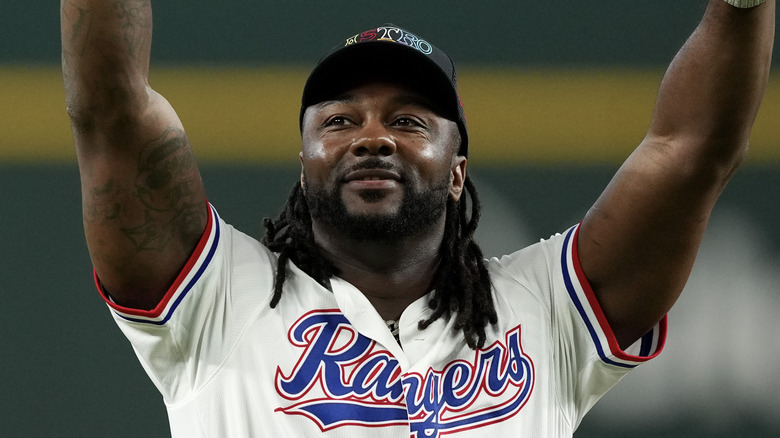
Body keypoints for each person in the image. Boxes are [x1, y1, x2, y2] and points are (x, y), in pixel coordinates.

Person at [60, 0, 775, 437]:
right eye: (339, 121)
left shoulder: (546, 312)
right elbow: (112, 110)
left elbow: (690, 151)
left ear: (458, 168)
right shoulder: (218, 301)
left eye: (408, 120)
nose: (372, 136)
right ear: (303, 162)